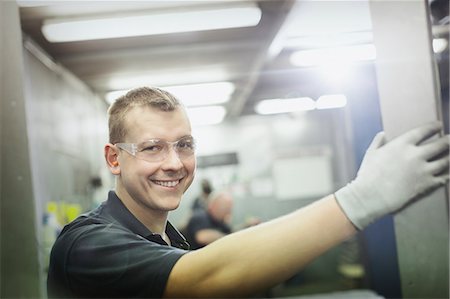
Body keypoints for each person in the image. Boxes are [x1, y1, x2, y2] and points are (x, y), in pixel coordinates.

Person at [47, 86, 449, 298]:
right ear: (114, 159)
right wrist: (363, 199)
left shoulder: (170, 239)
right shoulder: (88, 244)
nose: (174, 162)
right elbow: (209, 276)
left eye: (184, 144)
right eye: (152, 147)